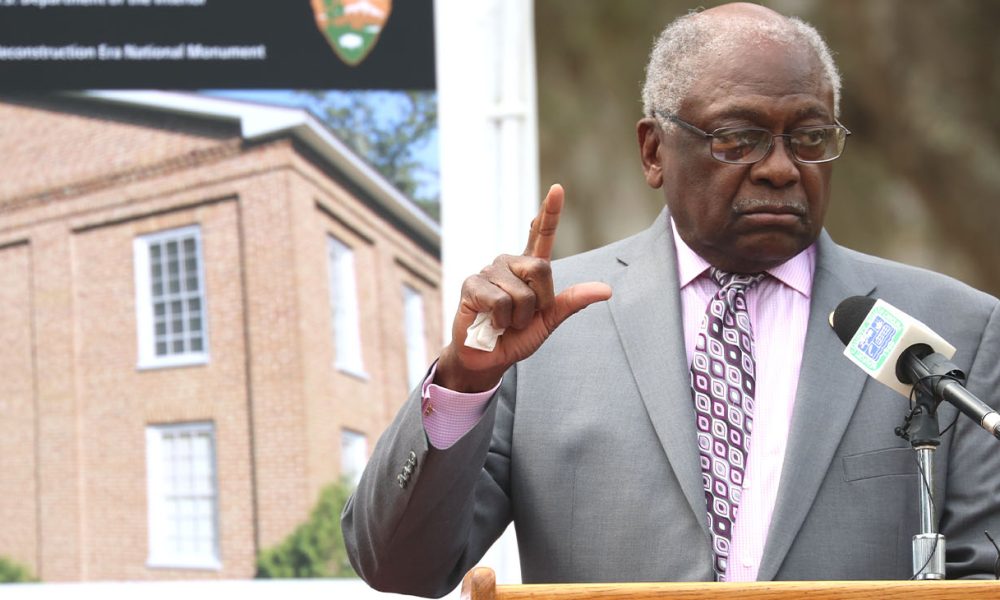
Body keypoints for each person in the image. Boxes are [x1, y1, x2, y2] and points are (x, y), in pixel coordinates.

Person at [342, 3, 1000, 596]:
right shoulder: (544, 334)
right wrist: (466, 381)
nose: (779, 167)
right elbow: (400, 567)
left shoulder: (953, 330)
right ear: (654, 150)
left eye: (809, 137)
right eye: (738, 137)